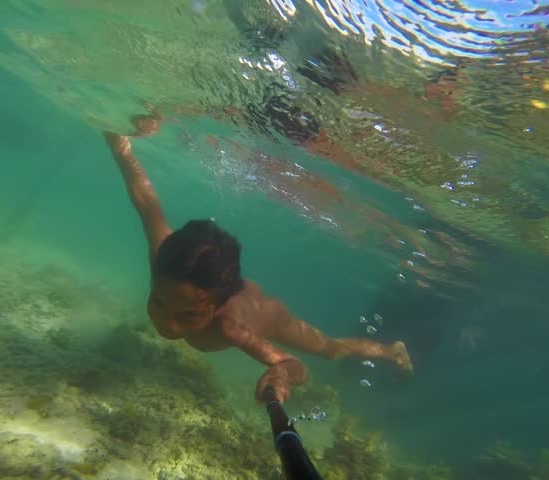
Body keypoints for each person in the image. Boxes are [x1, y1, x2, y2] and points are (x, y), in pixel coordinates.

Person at [103, 117, 413, 403]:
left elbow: (296, 365)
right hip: (228, 286)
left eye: (187, 316)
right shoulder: (165, 263)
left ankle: (390, 350)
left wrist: (281, 374)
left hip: (267, 315)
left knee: (329, 350)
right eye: (157, 302)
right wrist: (121, 149)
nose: (167, 324)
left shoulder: (232, 328)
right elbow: (144, 197)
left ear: (216, 308)